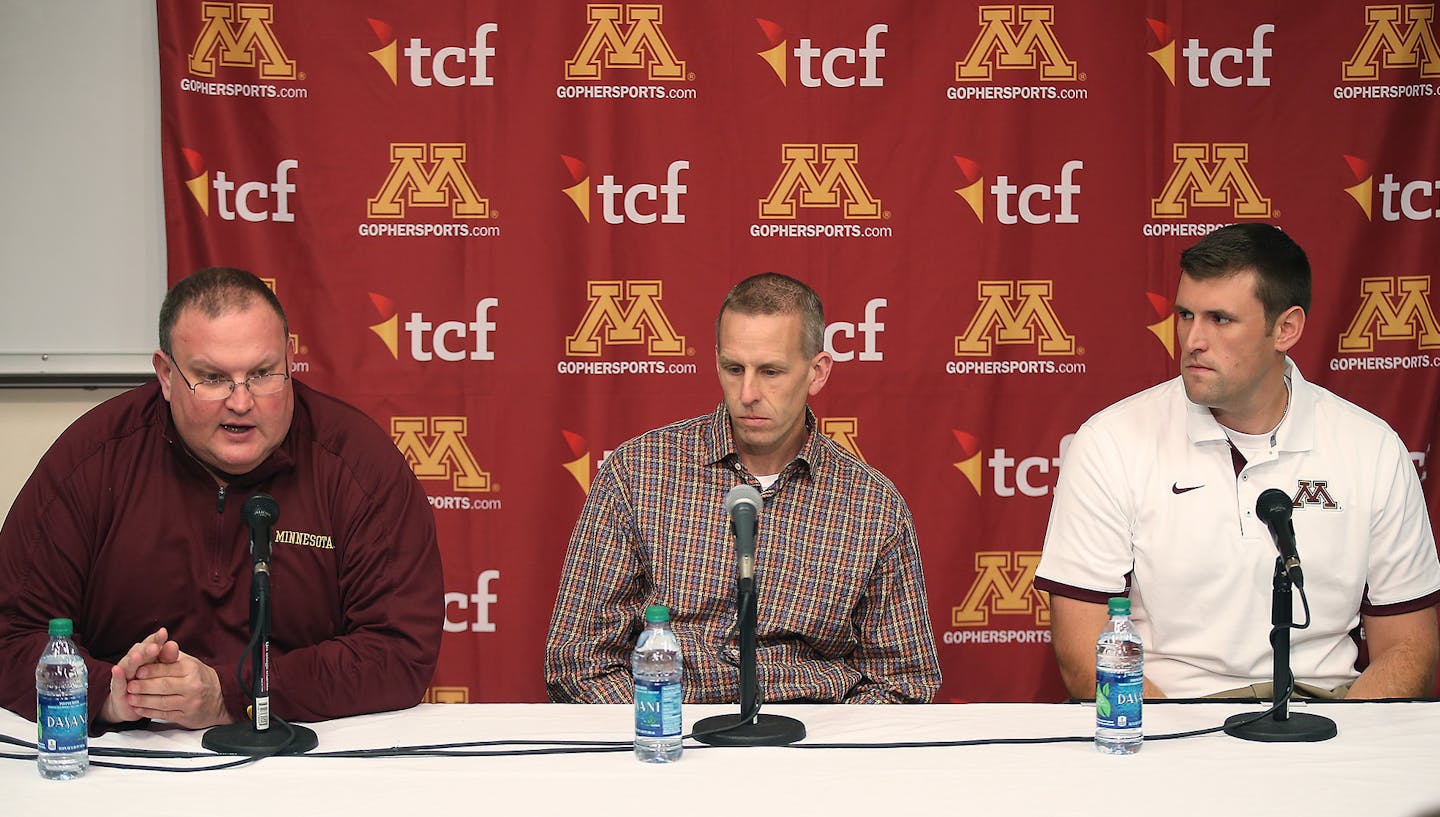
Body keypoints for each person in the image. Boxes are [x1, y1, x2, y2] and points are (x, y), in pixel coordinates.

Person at [0, 267, 443, 730]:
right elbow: (11, 636)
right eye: (212, 378)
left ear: (290, 361)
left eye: (262, 374)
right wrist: (109, 695)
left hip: (303, 756)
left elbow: (399, 650)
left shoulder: (356, 463)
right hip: (129, 754)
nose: (240, 401)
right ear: (166, 375)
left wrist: (235, 694)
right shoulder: (93, 459)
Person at [1037, 223, 1440, 700]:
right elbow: (1084, 649)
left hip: (1330, 716)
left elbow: (1409, 647)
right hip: (1170, 721)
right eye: (1186, 315)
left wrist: (1341, 749)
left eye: (1220, 319)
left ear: (1285, 328)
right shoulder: (1110, 442)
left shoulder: (1372, 448)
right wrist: (1177, 754)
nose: (1192, 340)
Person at [545, 272, 941, 704]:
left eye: (771, 371)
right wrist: (664, 730)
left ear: (817, 372)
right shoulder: (639, 473)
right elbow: (578, 661)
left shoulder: (871, 505)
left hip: (812, 746)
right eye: (734, 369)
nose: (748, 392)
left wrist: (825, 756)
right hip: (672, 740)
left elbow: (904, 679)